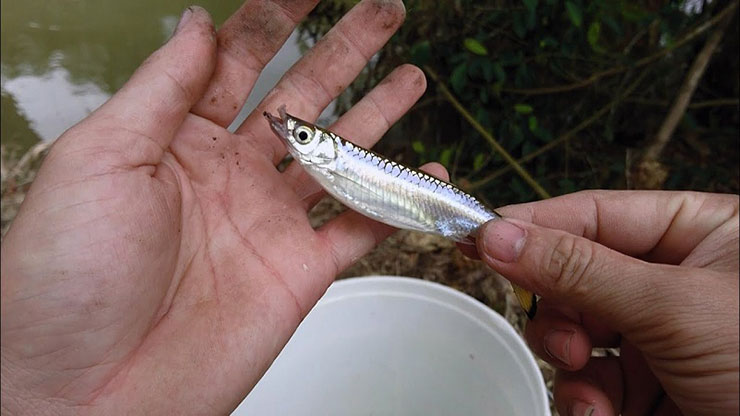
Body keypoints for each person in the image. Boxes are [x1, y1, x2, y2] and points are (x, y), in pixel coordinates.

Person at [1, 1, 737, 415]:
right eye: (299, 134)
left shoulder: (326, 157)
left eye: (303, 134)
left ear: (318, 145)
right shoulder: (319, 159)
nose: (293, 134)